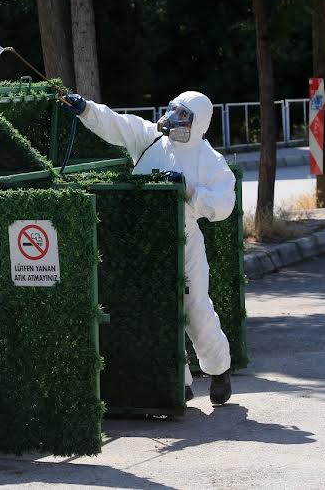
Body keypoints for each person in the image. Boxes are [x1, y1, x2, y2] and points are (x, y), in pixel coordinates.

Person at [61, 90, 235, 404]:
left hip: (185, 238)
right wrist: (86, 108)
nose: (173, 119)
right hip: (145, 240)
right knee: (155, 308)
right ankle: (174, 381)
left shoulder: (210, 160)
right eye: (174, 111)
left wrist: (190, 190)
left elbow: (224, 204)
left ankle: (219, 369)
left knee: (195, 307)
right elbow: (115, 123)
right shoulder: (150, 138)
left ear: (198, 124)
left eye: (183, 116)